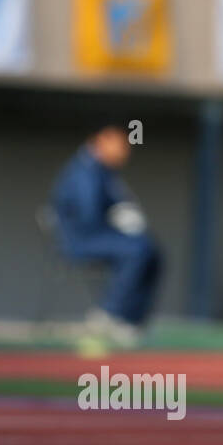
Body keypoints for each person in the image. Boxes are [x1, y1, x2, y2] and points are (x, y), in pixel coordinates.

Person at [49, 123, 162, 346]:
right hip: (80, 240)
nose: (124, 153)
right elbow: (88, 216)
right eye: (120, 147)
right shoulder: (85, 170)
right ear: (102, 141)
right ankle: (108, 315)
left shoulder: (105, 172)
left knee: (151, 249)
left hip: (99, 236)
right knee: (137, 250)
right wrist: (118, 217)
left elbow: (120, 202)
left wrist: (126, 212)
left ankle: (132, 319)